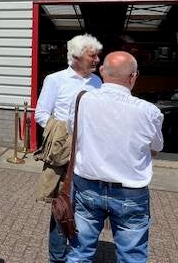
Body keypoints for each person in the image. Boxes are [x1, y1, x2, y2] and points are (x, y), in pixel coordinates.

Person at [66, 51, 163, 263]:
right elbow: (155, 148)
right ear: (133, 76)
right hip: (130, 192)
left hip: (87, 186)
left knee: (79, 253)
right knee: (132, 257)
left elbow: (73, 132)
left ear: (102, 71)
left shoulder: (81, 99)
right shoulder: (149, 111)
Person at [34, 34, 103, 263]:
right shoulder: (55, 80)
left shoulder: (97, 82)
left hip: (89, 154)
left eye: (97, 55)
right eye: (92, 55)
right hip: (64, 155)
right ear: (76, 56)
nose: (97, 59)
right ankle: (57, 257)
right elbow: (41, 114)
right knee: (61, 206)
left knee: (85, 205)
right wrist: (63, 135)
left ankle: (78, 253)